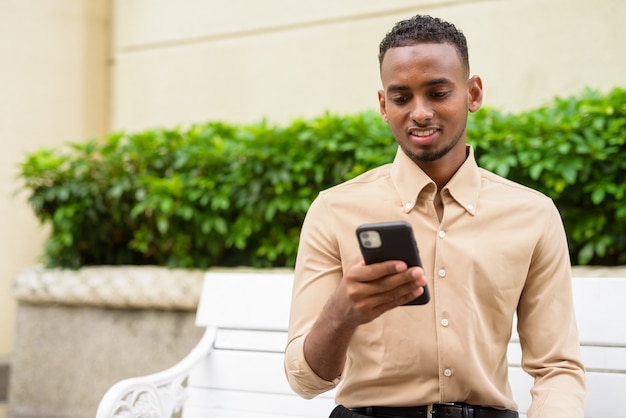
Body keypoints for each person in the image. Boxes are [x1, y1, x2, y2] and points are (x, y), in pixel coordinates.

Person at [284, 14, 586, 418]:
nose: (420, 113)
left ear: (473, 93)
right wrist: (342, 313)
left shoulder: (533, 214)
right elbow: (306, 381)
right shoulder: (334, 209)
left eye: (438, 92)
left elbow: (557, 368)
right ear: (383, 105)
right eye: (401, 98)